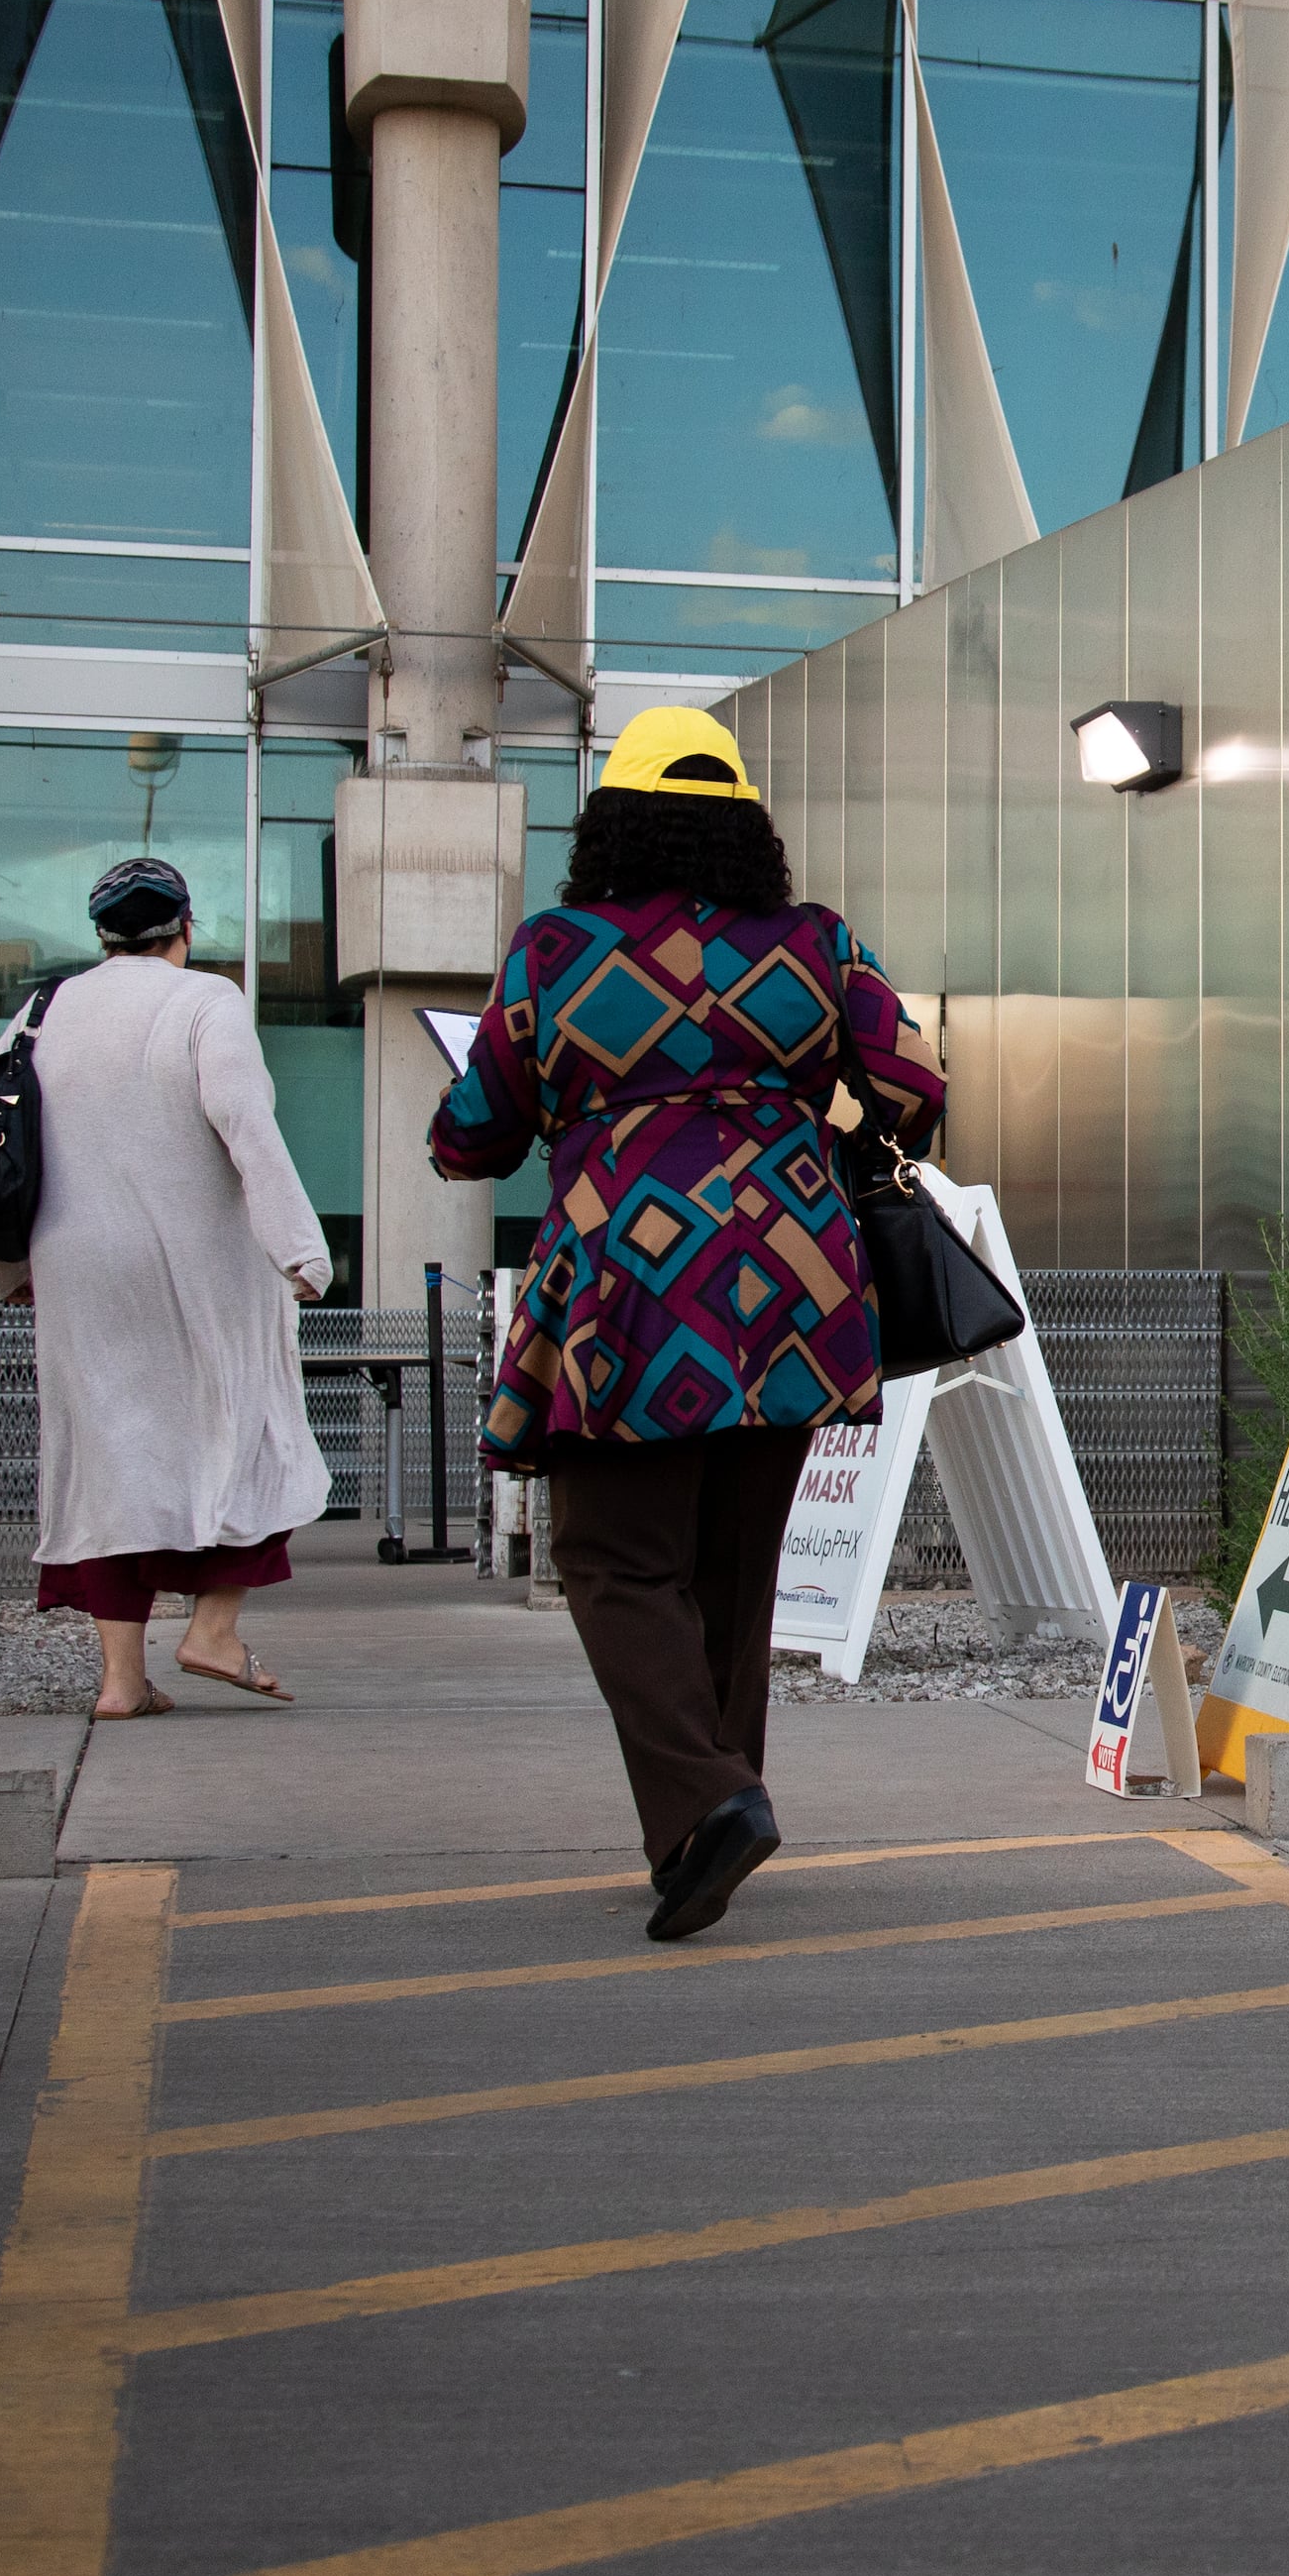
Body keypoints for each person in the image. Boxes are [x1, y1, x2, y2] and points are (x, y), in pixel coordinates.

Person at [431, 706, 943, 1942]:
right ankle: (702, 1827)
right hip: (794, 1273)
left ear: (611, 821)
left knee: (613, 1557)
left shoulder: (556, 951)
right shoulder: (815, 943)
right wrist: (794, 1144)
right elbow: (914, 1086)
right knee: (729, 1570)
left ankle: (710, 1804)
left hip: (630, 1281)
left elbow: (473, 1133)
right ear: (745, 829)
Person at [0, 858, 332, 1717]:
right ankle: (212, 1628)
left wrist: (10, 1271)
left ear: (101, 932)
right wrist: (301, 1251)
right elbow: (244, 1121)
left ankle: (121, 1682)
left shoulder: (37, 1013)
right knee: (259, 1430)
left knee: (107, 1460)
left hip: (75, 1268)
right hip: (200, 1265)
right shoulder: (206, 1002)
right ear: (184, 928)